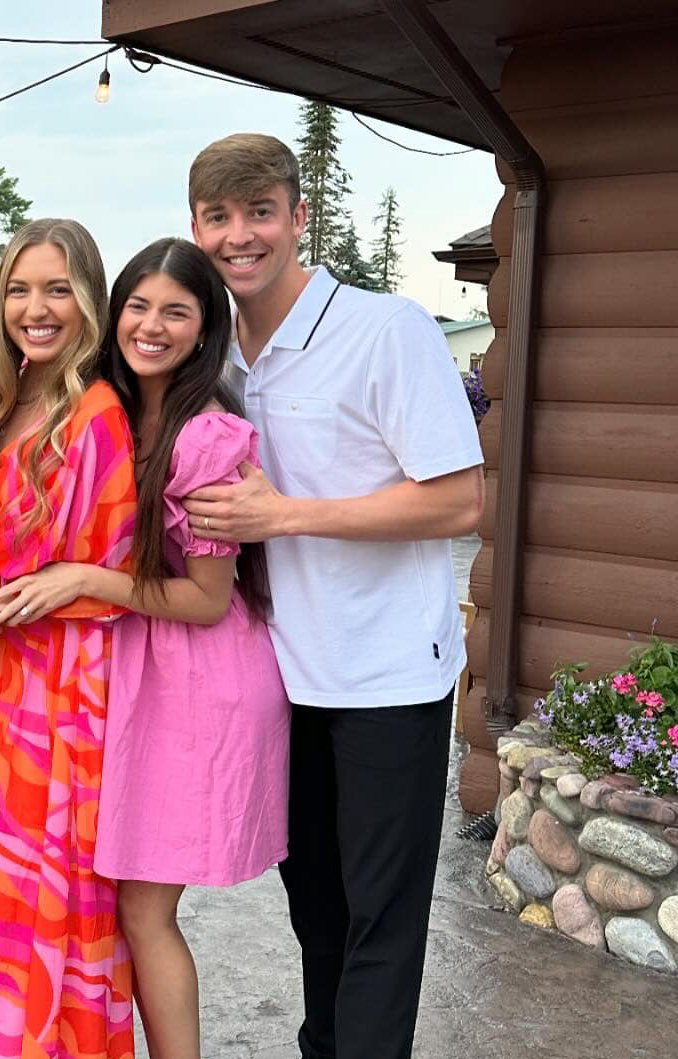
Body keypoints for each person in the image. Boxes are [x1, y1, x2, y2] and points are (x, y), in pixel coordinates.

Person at [180, 134, 484, 1059]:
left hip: (388, 672)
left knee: (379, 926)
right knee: (316, 908)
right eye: (220, 217)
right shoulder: (215, 352)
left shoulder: (386, 329)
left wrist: (288, 514)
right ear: (195, 227)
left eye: (260, 211)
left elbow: (460, 498)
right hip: (280, 676)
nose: (242, 235)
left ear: (300, 216)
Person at [0, 238, 289, 1058]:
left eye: (177, 312)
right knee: (108, 901)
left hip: (197, 679)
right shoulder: (109, 407)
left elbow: (205, 599)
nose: (151, 326)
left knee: (145, 912)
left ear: (205, 328)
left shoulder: (207, 435)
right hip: (132, 674)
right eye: (139, 306)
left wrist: (84, 578)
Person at [0, 218, 138, 1059]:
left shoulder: (98, 414)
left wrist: (68, 587)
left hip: (65, 691)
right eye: (18, 288)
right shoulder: (1, 406)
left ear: (88, 299)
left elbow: (120, 575)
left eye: (57, 289)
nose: (35, 308)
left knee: (55, 890)